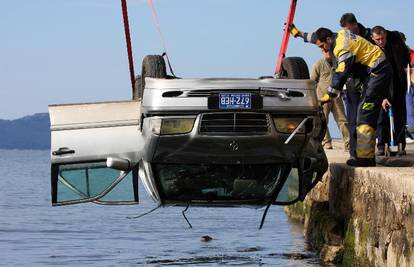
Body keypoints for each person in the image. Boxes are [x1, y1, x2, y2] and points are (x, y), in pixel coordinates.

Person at [291, 27, 392, 166]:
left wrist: (329, 95)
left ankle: (366, 159)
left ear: (328, 40)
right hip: (373, 73)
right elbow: (314, 37)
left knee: (365, 113)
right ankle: (363, 155)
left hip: (379, 72)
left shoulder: (342, 49)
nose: (324, 50)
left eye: (323, 46)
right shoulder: (337, 35)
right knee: (361, 113)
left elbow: (341, 74)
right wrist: (298, 34)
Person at [371, 26, 410, 155]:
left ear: (386, 36)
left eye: (382, 38)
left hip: (398, 84)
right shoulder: (371, 50)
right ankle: (381, 144)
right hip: (381, 86)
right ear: (373, 38)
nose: (381, 41)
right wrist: (383, 96)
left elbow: (406, 58)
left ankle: (400, 144)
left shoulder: (396, 45)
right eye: (377, 39)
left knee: (399, 115)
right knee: (382, 117)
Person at [311, 50, 350, 150]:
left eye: (329, 51)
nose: (327, 53)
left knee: (342, 120)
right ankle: (326, 142)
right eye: (325, 52)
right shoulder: (319, 64)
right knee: (323, 121)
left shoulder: (338, 63)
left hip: (336, 97)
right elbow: (312, 81)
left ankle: (348, 143)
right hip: (322, 98)